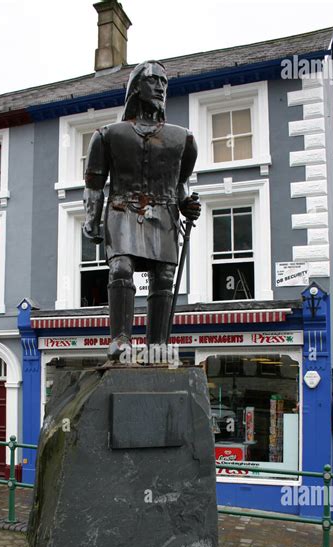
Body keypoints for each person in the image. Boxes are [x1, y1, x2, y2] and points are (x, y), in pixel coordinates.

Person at [83, 60, 201, 361]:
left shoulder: (183, 139)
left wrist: (187, 205)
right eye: (153, 81)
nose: (160, 87)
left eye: (164, 82)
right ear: (136, 87)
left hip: (164, 212)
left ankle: (157, 344)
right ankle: (120, 338)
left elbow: (179, 185)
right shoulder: (108, 135)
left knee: (164, 276)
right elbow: (94, 185)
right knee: (121, 268)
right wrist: (91, 221)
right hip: (122, 209)